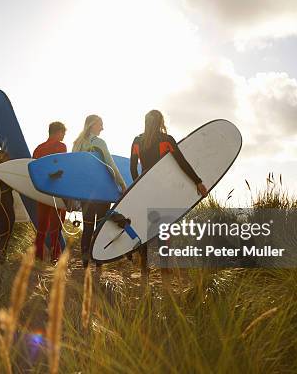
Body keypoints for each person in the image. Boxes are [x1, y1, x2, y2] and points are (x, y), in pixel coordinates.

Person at [129, 109, 208, 278]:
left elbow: (132, 168)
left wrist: (138, 186)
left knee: (145, 226)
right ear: (161, 122)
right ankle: (164, 268)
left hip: (144, 188)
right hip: (162, 188)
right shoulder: (166, 140)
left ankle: (144, 267)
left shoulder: (137, 141)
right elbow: (181, 162)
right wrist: (198, 181)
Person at [73, 114, 126, 269]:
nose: (102, 128)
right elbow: (110, 165)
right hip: (101, 191)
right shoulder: (99, 143)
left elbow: (75, 169)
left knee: (88, 226)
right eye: (100, 124)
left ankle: (85, 262)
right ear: (93, 124)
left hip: (85, 192)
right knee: (100, 226)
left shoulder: (77, 144)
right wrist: (122, 185)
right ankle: (98, 262)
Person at [32, 121, 67, 262]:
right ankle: (55, 257)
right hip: (56, 190)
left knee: (41, 227)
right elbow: (62, 167)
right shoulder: (61, 146)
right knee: (55, 228)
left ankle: (38, 257)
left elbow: (34, 170)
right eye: (63, 133)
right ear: (58, 132)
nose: (64, 136)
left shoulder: (38, 149)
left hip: (41, 191)